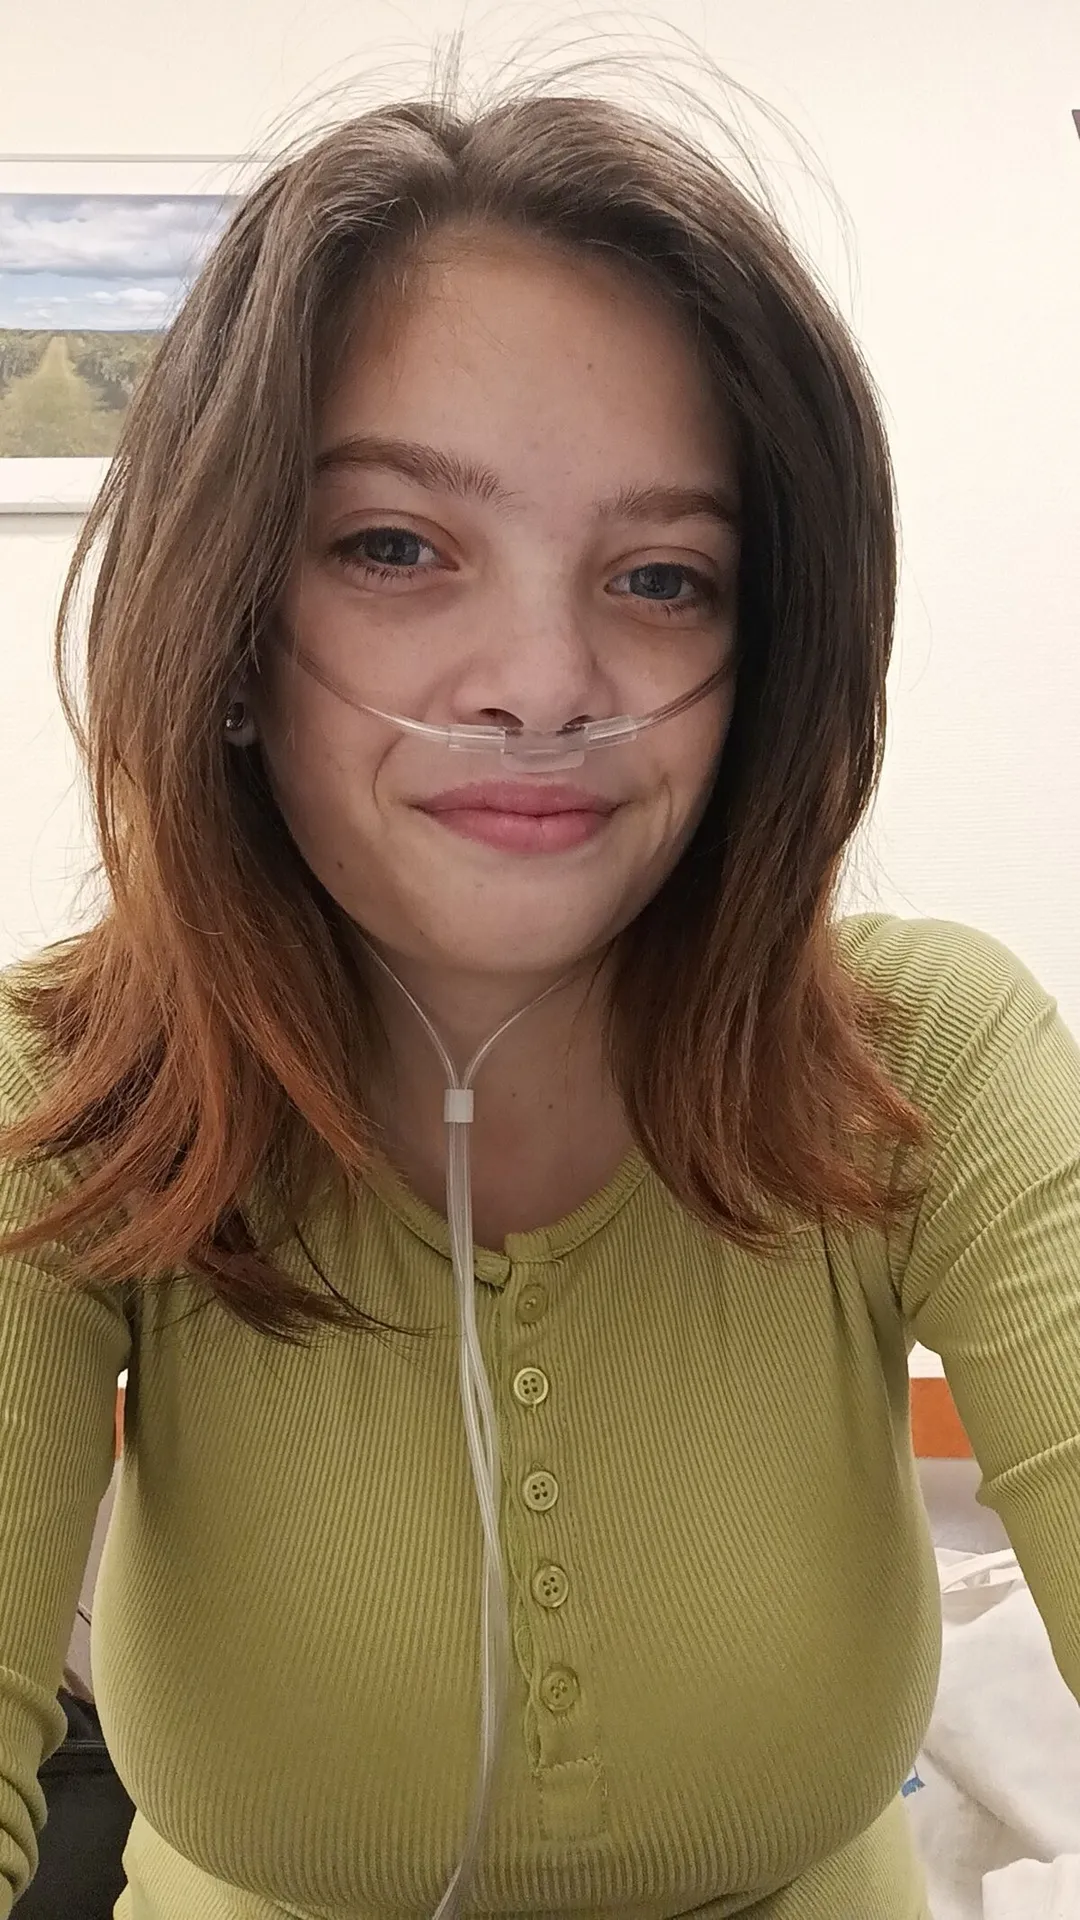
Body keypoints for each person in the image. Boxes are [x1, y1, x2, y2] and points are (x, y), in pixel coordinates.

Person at [0, 68, 1079, 1920]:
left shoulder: (929, 1061)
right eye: (395, 547)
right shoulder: (64, 1094)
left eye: (661, 576)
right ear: (234, 631)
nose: (542, 679)